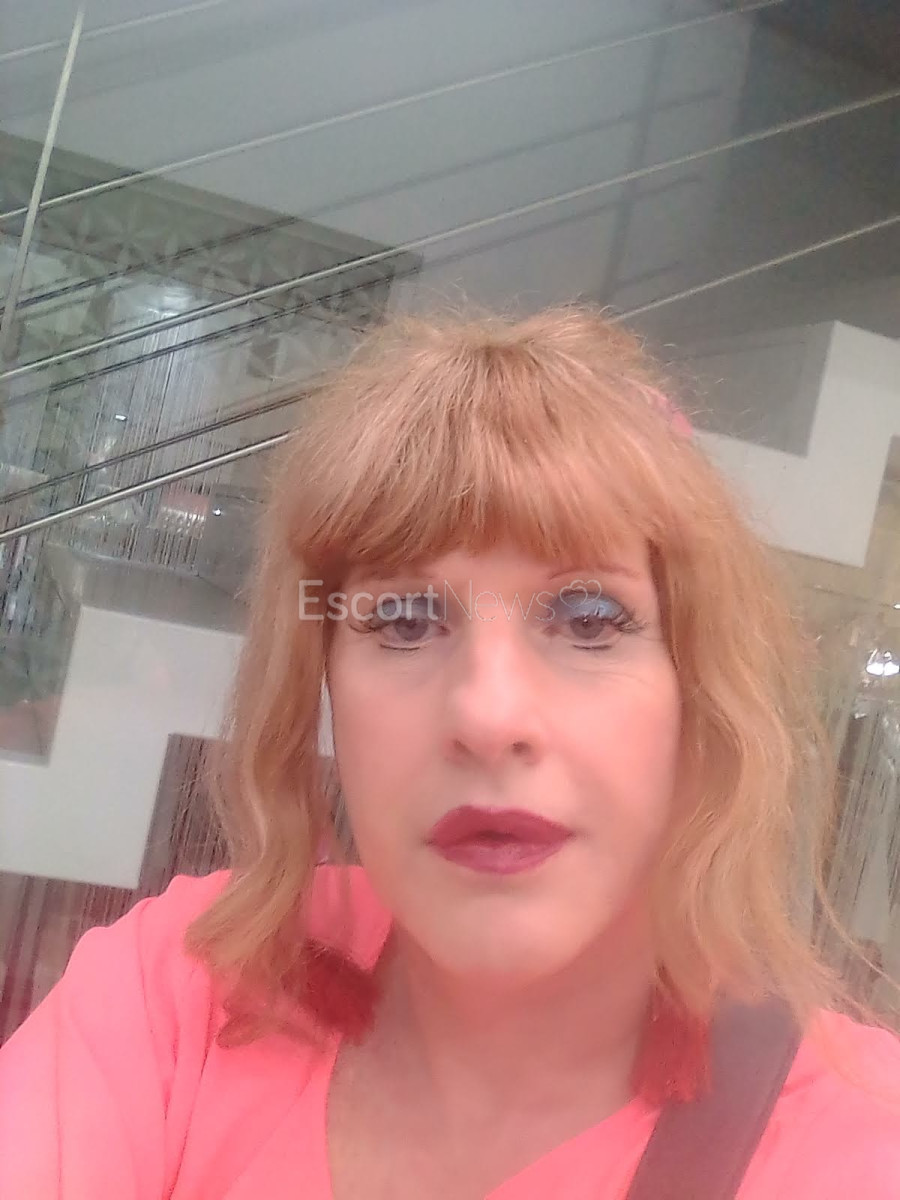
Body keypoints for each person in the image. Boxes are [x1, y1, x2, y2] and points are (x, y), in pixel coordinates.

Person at [1, 309, 899, 1199]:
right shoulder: (187, 988)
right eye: (401, 619)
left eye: (589, 619)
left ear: (696, 687)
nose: (487, 714)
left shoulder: (858, 1142)